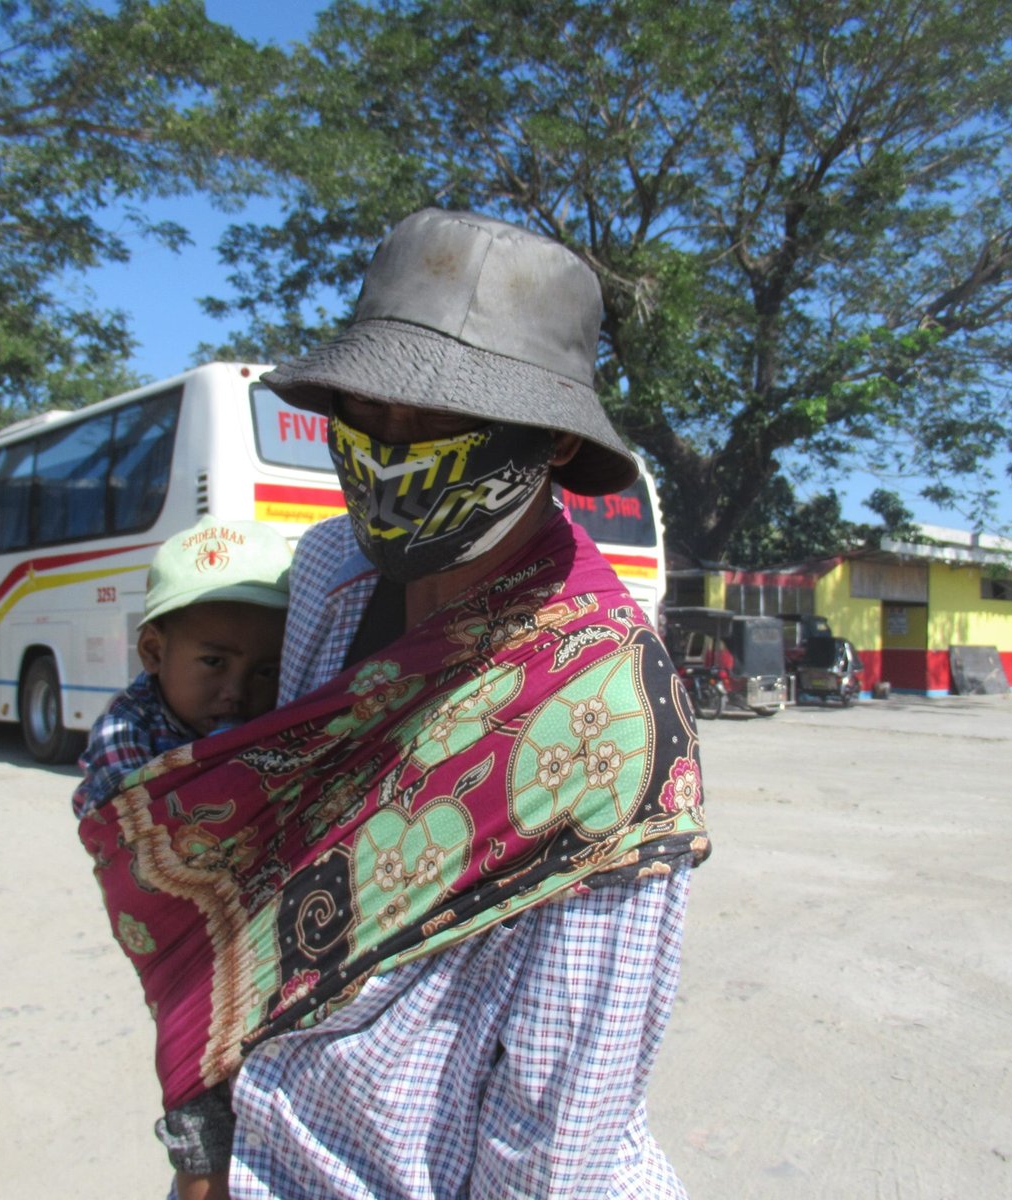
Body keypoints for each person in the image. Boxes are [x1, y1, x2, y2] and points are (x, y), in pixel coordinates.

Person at [79, 207, 709, 1200]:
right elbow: (254, 872)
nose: (389, 448)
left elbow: (558, 1133)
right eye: (366, 413)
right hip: (257, 1156)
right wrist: (203, 1141)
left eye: (437, 421)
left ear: (548, 444)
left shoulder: (609, 722)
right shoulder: (330, 572)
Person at [74, 516, 293, 1200]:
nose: (237, 690)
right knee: (202, 1139)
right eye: (213, 662)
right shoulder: (126, 731)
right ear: (152, 652)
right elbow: (127, 836)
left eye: (263, 671)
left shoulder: (274, 723)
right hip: (188, 972)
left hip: (257, 965)